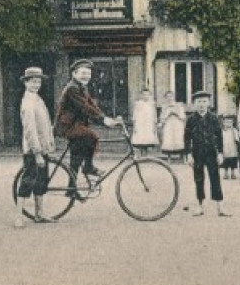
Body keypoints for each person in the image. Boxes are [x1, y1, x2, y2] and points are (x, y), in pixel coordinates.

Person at [55, 59, 120, 193]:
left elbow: (92, 106)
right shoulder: (72, 88)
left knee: (76, 159)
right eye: (83, 73)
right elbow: (84, 107)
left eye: (88, 74)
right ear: (74, 74)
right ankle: (88, 167)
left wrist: (107, 119)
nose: (86, 76)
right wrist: (103, 120)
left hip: (76, 125)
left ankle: (71, 190)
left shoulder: (82, 87)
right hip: (69, 126)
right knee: (92, 136)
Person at [16, 66, 57, 224]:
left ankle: (39, 214)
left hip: (42, 148)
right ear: (26, 83)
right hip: (33, 150)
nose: (36, 84)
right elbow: (30, 130)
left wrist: (48, 147)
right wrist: (37, 153)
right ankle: (18, 216)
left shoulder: (37, 99)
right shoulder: (28, 102)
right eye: (32, 82)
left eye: (38, 81)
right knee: (28, 181)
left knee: (41, 181)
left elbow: (44, 125)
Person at [183, 91, 230, 217]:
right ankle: (199, 206)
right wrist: (188, 154)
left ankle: (220, 206)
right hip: (197, 153)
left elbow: (219, 137)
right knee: (198, 179)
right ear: (194, 104)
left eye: (204, 101)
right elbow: (187, 139)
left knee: (215, 178)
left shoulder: (213, 118)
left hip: (211, 152)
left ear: (209, 103)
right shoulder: (191, 120)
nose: (201, 105)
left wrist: (220, 153)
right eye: (198, 102)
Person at [130, 87, 159, 159]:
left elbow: (154, 115)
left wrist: (154, 126)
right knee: (139, 138)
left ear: (149, 96)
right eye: (144, 95)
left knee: (149, 139)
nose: (146, 96)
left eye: (147, 95)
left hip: (149, 124)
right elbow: (135, 115)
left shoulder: (152, 104)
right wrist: (135, 126)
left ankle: (148, 155)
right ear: (141, 95)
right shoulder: (138, 104)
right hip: (140, 123)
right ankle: (138, 155)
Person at [158, 89, 187, 161]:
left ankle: (182, 157)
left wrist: (176, 113)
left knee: (179, 139)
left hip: (177, 124)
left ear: (173, 97)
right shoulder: (164, 107)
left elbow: (183, 116)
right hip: (169, 124)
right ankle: (169, 158)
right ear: (166, 98)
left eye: (171, 96)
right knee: (169, 140)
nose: (169, 98)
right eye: (168, 97)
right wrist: (167, 115)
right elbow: (162, 117)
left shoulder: (179, 105)